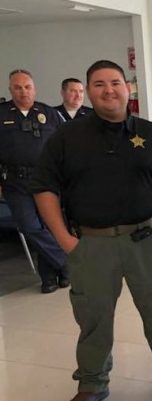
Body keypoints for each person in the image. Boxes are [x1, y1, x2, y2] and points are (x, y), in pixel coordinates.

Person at [31, 60, 152, 401]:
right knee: (93, 319)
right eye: (100, 84)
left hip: (147, 240)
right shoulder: (65, 137)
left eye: (115, 83)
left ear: (128, 88)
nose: (109, 90)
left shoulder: (151, 134)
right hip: (90, 245)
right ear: (88, 91)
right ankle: (92, 383)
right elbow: (44, 189)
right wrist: (65, 240)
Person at [0, 69, 68, 293]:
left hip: (47, 179)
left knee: (50, 226)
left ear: (34, 88)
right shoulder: (2, 114)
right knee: (30, 226)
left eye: (27, 87)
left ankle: (50, 278)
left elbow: (64, 146)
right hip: (15, 182)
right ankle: (68, 265)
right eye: (18, 87)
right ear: (10, 90)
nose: (23, 91)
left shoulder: (48, 113)